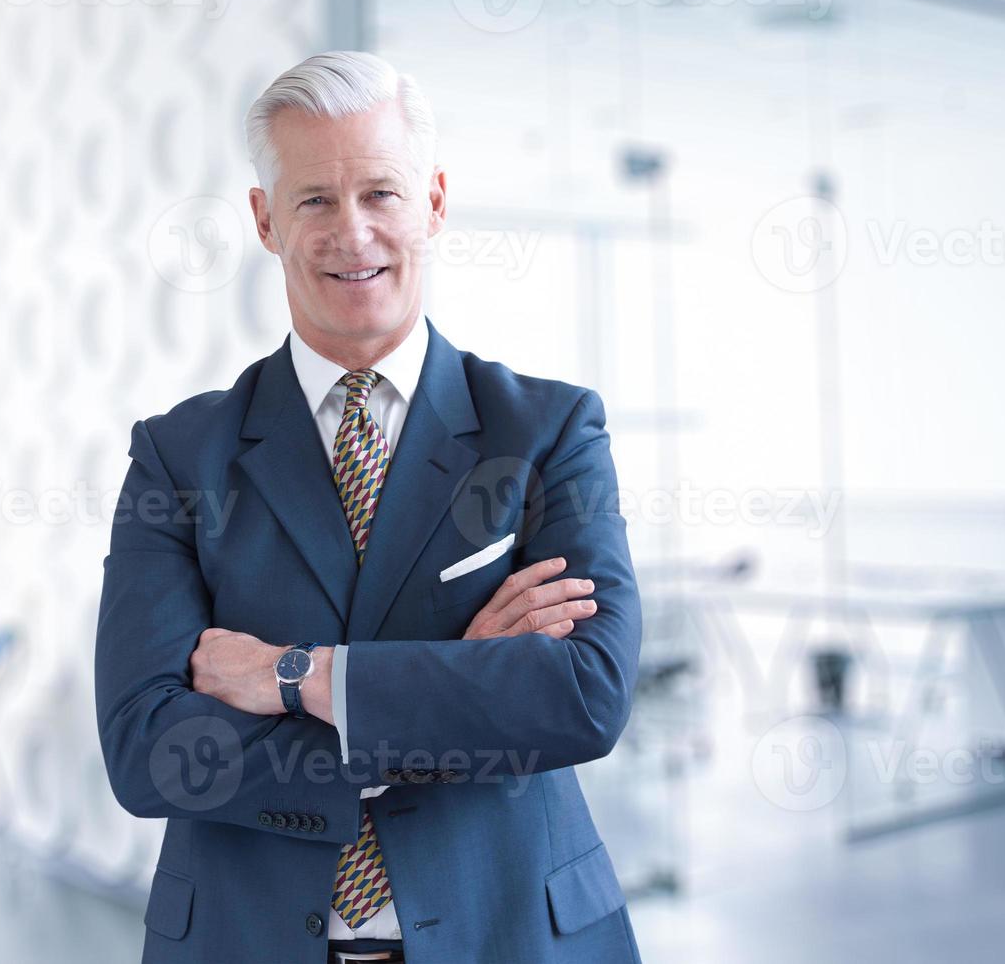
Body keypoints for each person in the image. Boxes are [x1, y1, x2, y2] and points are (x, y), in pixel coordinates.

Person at [94, 51, 642, 963]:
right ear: (267, 220)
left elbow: (585, 696)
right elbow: (147, 750)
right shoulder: (178, 454)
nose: (353, 233)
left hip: (512, 935)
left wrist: (294, 677)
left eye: (380, 193)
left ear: (431, 201)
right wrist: (453, 688)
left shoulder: (548, 431)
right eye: (314, 200)